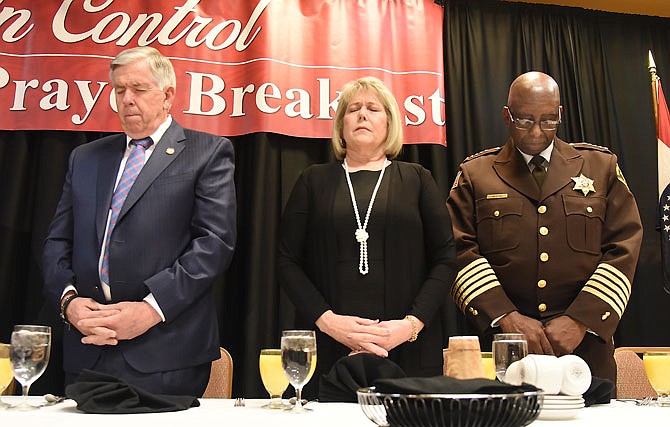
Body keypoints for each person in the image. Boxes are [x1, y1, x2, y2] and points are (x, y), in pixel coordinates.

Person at [42, 47, 236, 396]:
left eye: (139, 89)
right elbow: (58, 242)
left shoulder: (207, 152)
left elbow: (214, 245)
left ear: (167, 95)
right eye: (119, 90)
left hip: (165, 352)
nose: (127, 99)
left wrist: (149, 310)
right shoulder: (85, 158)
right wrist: (68, 302)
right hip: (89, 347)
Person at [446, 71, 643, 382]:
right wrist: (507, 317)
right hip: (505, 348)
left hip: (584, 349)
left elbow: (624, 246)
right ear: (507, 116)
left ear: (560, 114)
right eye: (525, 120)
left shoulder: (599, 166)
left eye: (549, 120)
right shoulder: (476, 174)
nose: (537, 131)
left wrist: (581, 319)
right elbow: (457, 250)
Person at [278, 76, 457, 397]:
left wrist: (410, 325)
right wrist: (328, 321)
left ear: (390, 124)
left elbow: (444, 259)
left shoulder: (417, 179)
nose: (362, 114)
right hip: (329, 347)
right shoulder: (313, 180)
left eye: (373, 108)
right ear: (341, 125)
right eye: (353, 109)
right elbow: (287, 261)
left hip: (406, 349)